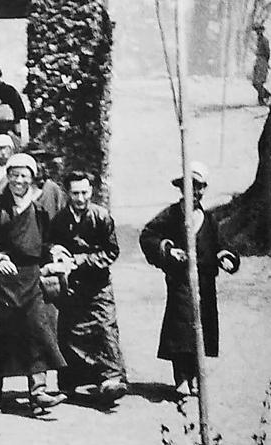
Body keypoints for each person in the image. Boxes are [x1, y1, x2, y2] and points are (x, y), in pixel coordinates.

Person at [0, 153, 67, 415]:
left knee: (36, 330)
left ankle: (38, 394)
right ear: (7, 177)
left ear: (32, 178)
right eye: (13, 175)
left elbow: (48, 239)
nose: (18, 180)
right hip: (1, 278)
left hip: (31, 276)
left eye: (24, 175)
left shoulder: (40, 207)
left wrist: (55, 251)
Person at [139, 161, 239, 396]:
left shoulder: (208, 219)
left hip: (204, 282)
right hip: (181, 280)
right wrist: (168, 250)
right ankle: (181, 378)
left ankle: (195, 377)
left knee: (201, 328)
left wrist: (225, 257)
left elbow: (220, 244)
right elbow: (149, 235)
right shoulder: (172, 214)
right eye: (190, 186)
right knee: (181, 328)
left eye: (200, 187)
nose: (195, 192)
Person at [48, 171, 128, 401]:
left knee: (105, 329)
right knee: (71, 333)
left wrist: (80, 261)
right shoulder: (60, 219)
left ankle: (111, 379)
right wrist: (55, 251)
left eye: (84, 192)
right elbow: (51, 242)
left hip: (98, 285)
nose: (80, 198)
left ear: (91, 191)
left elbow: (111, 252)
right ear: (67, 193)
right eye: (75, 193)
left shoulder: (101, 216)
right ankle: (70, 382)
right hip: (72, 286)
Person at [252, 24, 270, 106]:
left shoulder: (264, 40)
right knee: (255, 82)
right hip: (259, 60)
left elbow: (267, 52)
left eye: (259, 30)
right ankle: (266, 95)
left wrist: (265, 62)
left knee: (259, 82)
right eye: (256, 30)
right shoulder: (259, 40)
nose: (257, 32)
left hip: (262, 61)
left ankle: (261, 99)